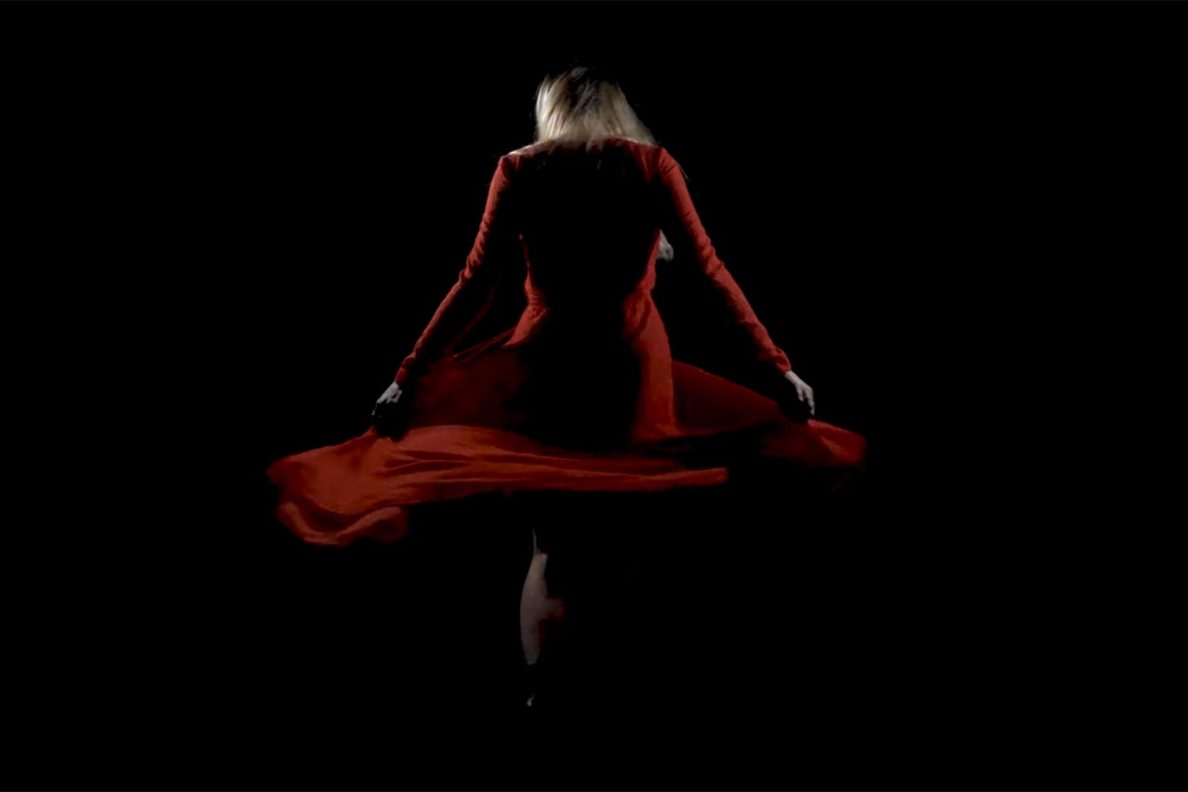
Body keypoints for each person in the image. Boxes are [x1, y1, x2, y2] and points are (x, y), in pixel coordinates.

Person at [267, 66, 866, 708]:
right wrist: (776, 368)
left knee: (551, 551)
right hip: (633, 373)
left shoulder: (520, 169)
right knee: (628, 542)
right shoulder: (650, 166)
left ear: (550, 112)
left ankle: (543, 699)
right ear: (619, 114)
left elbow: (475, 282)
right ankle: (609, 691)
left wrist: (407, 376)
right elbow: (711, 272)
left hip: (546, 370)